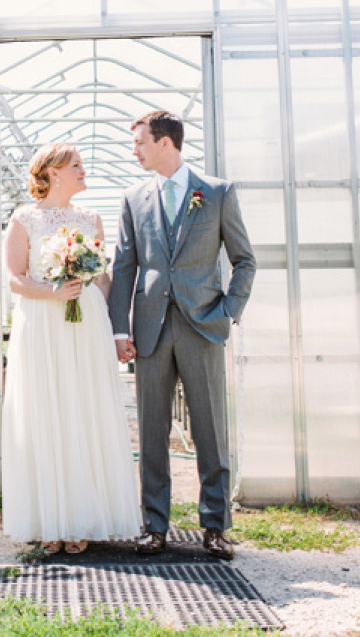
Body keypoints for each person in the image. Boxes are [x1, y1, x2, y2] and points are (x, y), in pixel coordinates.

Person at [107, 110, 255, 560]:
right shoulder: (133, 198)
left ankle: (215, 527)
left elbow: (244, 259)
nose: (134, 152)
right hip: (150, 328)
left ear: (165, 143)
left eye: (140, 143)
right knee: (151, 433)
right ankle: (155, 526)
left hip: (203, 324)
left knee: (210, 429)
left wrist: (228, 310)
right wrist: (119, 329)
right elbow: (124, 267)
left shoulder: (216, 192)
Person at [0, 143, 142, 554]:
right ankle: (49, 519)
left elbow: (102, 280)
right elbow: (15, 278)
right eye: (76, 165)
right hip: (42, 324)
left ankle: (81, 517)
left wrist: (119, 330)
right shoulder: (24, 218)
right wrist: (53, 291)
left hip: (86, 325)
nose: (84, 170)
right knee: (46, 413)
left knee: (84, 412)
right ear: (54, 172)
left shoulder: (91, 219)